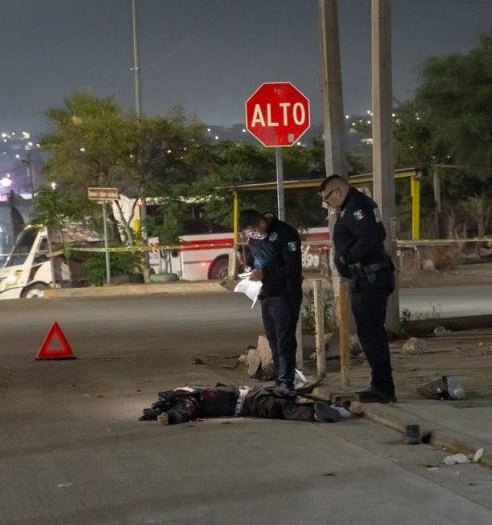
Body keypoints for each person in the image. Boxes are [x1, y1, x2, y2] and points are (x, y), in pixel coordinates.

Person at [317, 174, 397, 403]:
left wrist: (348, 258)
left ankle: (383, 389)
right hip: (368, 278)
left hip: (370, 280)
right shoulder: (359, 204)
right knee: (370, 334)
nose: (327, 204)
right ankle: (380, 385)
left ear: (338, 192)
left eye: (327, 199)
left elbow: (371, 237)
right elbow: (377, 233)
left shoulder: (356, 207)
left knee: (371, 335)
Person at [240, 209, 304, 392]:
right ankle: (280, 379)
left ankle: (286, 382)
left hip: (284, 294)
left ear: (262, 223)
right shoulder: (254, 238)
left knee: (285, 341)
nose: (252, 237)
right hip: (265, 294)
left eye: (253, 231)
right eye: (248, 234)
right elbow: (253, 258)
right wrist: (249, 268)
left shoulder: (285, 233)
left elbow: (292, 268)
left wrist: (265, 273)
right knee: (274, 341)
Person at [139, 383, 347, 425]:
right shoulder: (184, 399)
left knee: (286, 395)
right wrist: (171, 416)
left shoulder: (188, 391)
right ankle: (317, 414)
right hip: (246, 401)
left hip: (249, 393)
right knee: (280, 406)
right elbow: (185, 410)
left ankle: (329, 408)